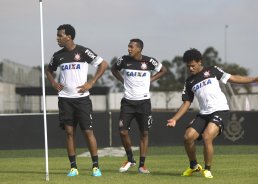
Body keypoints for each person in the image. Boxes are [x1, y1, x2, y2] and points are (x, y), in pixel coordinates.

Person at [166, 48, 258, 178]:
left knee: (207, 136)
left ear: (199, 62)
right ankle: (194, 166)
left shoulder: (212, 70)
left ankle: (207, 169)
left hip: (220, 109)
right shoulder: (189, 82)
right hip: (204, 113)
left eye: (193, 65)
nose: (190, 68)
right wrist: (175, 119)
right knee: (188, 137)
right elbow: (186, 103)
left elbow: (232, 77)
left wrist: (253, 79)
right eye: (188, 66)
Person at [45, 24, 108, 177]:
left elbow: (103, 64)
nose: (57, 38)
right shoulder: (57, 55)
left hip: (82, 100)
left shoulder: (83, 51)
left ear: (69, 37)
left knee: (88, 132)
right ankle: (73, 168)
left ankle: (95, 167)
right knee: (69, 133)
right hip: (65, 99)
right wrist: (53, 83)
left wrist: (91, 83)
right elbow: (48, 70)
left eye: (60, 35)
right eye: (57, 35)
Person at [111, 38, 167, 174]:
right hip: (128, 103)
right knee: (122, 131)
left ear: (139, 49)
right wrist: (122, 80)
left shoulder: (149, 61)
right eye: (128, 46)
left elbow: (164, 70)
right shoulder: (123, 60)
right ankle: (130, 159)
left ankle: (142, 165)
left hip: (143, 103)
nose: (129, 49)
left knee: (144, 133)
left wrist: (150, 80)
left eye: (131, 47)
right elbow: (114, 69)